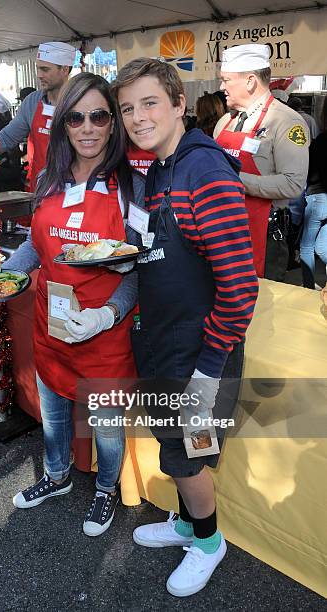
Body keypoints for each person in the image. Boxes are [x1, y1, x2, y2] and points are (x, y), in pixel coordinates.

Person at [113, 58, 258, 597]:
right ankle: (186, 524)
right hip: (163, 344)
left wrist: (207, 370)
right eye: (128, 108)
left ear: (179, 104)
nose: (136, 117)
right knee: (174, 447)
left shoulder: (205, 171)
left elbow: (241, 288)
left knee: (190, 454)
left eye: (149, 103)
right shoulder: (162, 168)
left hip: (200, 358)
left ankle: (209, 542)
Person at [0, 72, 144, 536]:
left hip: (104, 329)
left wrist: (107, 314)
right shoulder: (48, 178)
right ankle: (56, 475)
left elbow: (139, 269)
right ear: (63, 124)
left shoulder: (131, 186)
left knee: (105, 425)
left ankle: (105, 490)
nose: (87, 127)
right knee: (54, 414)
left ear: (113, 122)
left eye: (99, 115)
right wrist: (2, 276)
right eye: (75, 117)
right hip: (51, 321)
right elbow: (37, 247)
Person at [213, 43, 310, 281]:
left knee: (260, 310)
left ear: (250, 81)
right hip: (222, 234)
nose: (221, 87)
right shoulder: (224, 122)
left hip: (263, 236)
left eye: (226, 80)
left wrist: (236, 180)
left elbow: (293, 184)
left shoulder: (286, 122)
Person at [0, 42, 76, 192]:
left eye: (45, 69)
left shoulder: (81, 100)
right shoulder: (32, 102)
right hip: (42, 190)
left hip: (76, 191)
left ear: (64, 69)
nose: (39, 75)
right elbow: (7, 138)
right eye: (38, 68)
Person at [300, 95, 327, 288]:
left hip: (318, 198)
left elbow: (307, 172)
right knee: (322, 246)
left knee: (307, 247)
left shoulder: (320, 142)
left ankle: (308, 287)